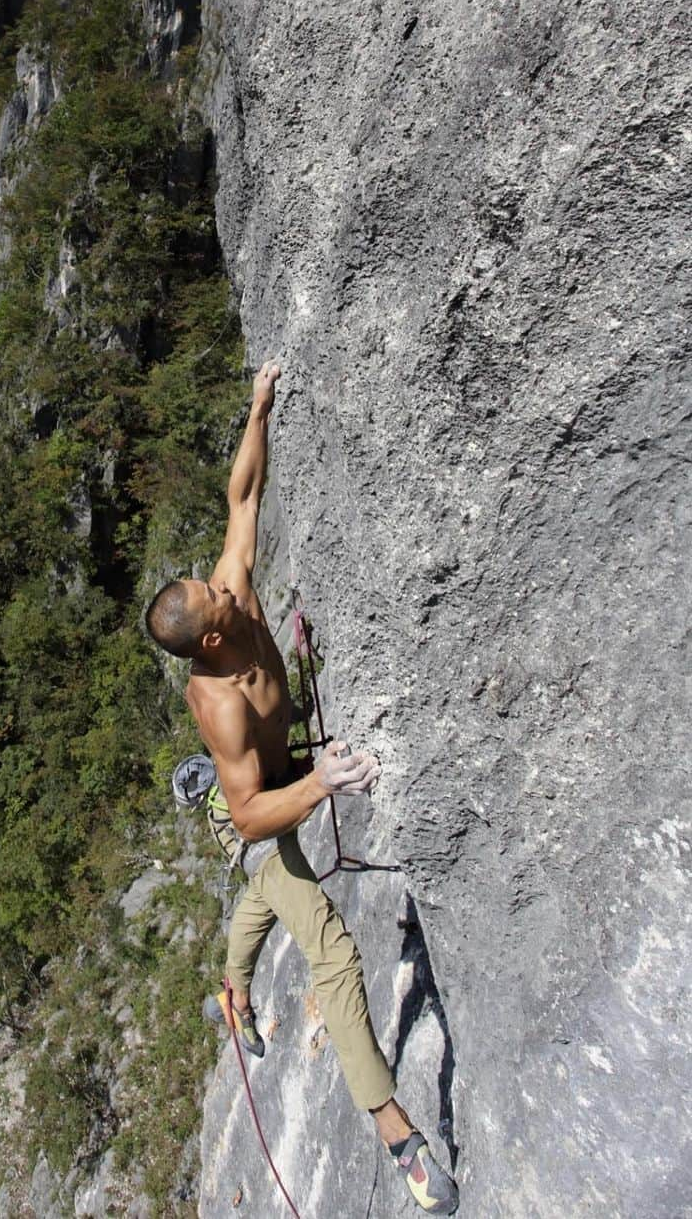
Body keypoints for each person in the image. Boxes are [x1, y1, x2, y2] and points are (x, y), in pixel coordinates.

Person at [144, 361, 459, 1215]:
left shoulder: (233, 599)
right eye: (217, 602)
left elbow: (241, 500)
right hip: (252, 800)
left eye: (216, 585)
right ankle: (398, 1133)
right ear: (209, 645)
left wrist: (259, 404)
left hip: (278, 776)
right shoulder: (220, 708)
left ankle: (232, 985)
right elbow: (248, 816)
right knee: (328, 946)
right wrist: (321, 782)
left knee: (269, 894)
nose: (230, 590)